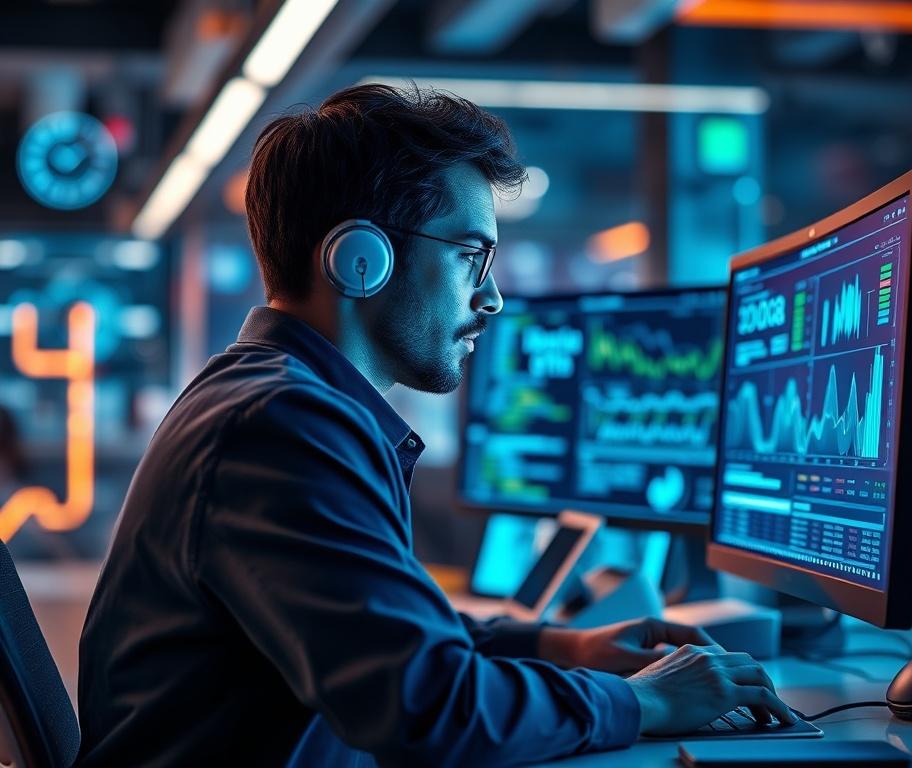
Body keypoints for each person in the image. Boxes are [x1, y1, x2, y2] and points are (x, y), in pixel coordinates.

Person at [77, 85, 793, 767]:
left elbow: (382, 636)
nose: (492, 297)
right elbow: (427, 709)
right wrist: (641, 702)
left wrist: (558, 647)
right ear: (362, 260)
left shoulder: (272, 399)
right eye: (469, 256)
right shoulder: (283, 425)